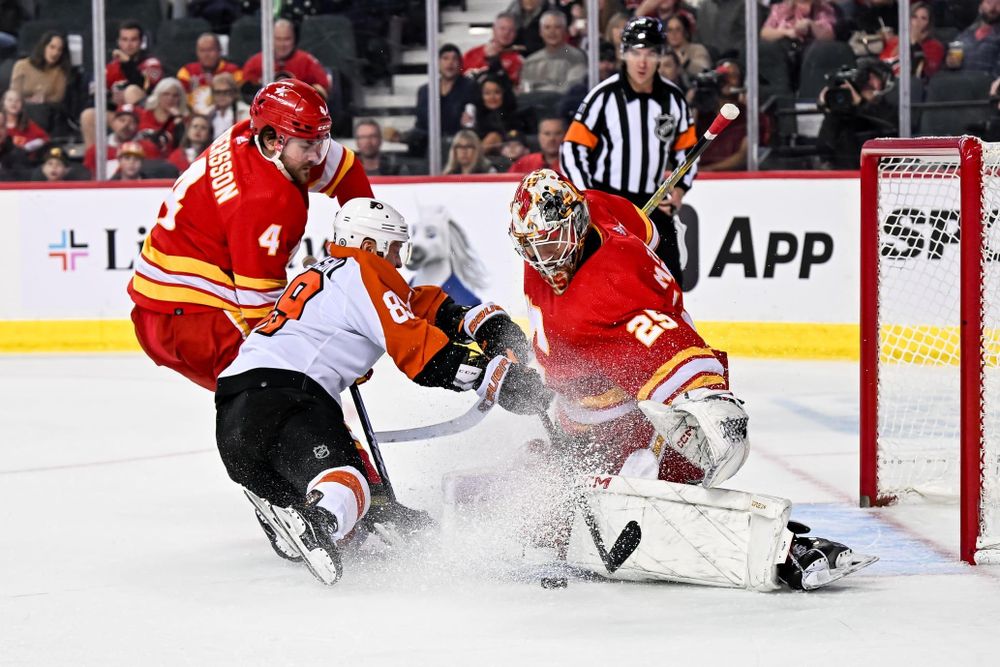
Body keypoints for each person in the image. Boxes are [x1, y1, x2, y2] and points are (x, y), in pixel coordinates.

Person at [506, 168, 875, 590]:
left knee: (639, 490)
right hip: (579, 412)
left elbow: (667, 342)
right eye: (531, 247)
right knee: (535, 485)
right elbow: (650, 234)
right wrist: (620, 251)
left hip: (631, 420)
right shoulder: (600, 206)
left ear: (574, 223)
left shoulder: (606, 296)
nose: (543, 259)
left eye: (551, 243)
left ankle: (786, 550)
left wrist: (705, 396)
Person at [215, 197, 547, 584]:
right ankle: (319, 517)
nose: (400, 261)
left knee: (352, 507)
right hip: (289, 400)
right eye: (394, 249)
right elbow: (424, 357)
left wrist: (483, 323)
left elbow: (416, 306)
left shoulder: (331, 274)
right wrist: (494, 376)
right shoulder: (364, 271)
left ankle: (291, 500)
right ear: (370, 246)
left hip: (233, 416)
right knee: (347, 480)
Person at [127, 79, 374, 391]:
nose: (316, 157)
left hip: (165, 304)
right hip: (188, 319)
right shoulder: (265, 201)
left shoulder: (256, 133)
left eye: (320, 142)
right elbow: (264, 318)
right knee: (280, 385)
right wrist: (333, 357)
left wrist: (363, 243)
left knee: (286, 391)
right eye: (308, 146)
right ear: (273, 140)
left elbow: (347, 170)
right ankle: (319, 439)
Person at [561, 16, 698, 287]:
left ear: (661, 55)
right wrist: (589, 198)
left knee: (669, 283)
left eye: (650, 53)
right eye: (636, 53)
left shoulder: (673, 99)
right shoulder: (603, 97)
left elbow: (688, 151)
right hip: (607, 204)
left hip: (654, 203)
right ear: (624, 53)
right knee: (600, 283)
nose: (642, 62)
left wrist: (679, 189)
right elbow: (573, 149)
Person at [406, 44, 478, 156]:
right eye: (445, 58)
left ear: (460, 64)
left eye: (454, 59)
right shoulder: (424, 91)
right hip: (429, 144)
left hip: (458, 144)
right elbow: (420, 125)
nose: (450, 63)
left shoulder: (470, 87)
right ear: (438, 64)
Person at [242, 19, 332, 98]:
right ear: (271, 39)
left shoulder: (307, 61)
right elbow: (244, 90)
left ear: (294, 39)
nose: (282, 44)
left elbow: (323, 88)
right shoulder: (255, 62)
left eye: (287, 39)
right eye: (278, 39)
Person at [519, 10, 587, 94]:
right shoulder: (531, 61)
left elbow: (571, 87)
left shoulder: (576, 57)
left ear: (565, 31)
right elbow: (525, 90)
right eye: (547, 27)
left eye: (557, 27)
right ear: (540, 32)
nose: (552, 32)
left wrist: (539, 90)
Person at [82, 104, 158, 177]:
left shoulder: (147, 148)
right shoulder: (97, 150)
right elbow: (87, 178)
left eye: (132, 122)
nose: (126, 125)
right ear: (113, 123)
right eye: (122, 120)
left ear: (137, 126)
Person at [176, 33, 243, 115]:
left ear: (220, 50)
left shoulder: (234, 71)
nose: (206, 55)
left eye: (210, 50)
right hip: (194, 120)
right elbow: (179, 100)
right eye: (202, 50)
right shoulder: (186, 71)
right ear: (197, 52)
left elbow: (239, 98)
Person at [879, 2, 944, 78]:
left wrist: (915, 42)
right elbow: (882, 63)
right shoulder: (894, 41)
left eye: (923, 18)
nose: (917, 22)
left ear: (929, 24)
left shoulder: (935, 46)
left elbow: (926, 71)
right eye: (914, 17)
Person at [462, 12, 525, 87]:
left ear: (515, 34)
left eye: (511, 30)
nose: (506, 33)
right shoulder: (471, 54)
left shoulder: (518, 60)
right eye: (502, 28)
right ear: (494, 29)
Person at [9, 31, 70, 105]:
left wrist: (44, 100)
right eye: (52, 47)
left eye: (59, 50)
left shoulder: (60, 71)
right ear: (43, 47)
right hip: (20, 107)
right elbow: (14, 92)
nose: (55, 53)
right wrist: (28, 101)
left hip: (45, 109)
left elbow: (58, 97)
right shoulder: (22, 65)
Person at [473, 74, 529, 154]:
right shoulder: (475, 116)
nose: (492, 97)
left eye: (497, 92)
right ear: (481, 96)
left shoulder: (515, 117)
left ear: (504, 94)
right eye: (487, 93)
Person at [944, 0, 1000, 75]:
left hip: (985, 82)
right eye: (989, 3)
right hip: (958, 81)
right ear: (980, 7)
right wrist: (949, 62)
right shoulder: (965, 34)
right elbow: (950, 60)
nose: (992, 8)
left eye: (998, 4)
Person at [664, 13, 713, 79]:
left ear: (686, 32)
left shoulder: (697, 49)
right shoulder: (663, 51)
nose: (673, 34)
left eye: (678, 29)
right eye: (670, 30)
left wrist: (687, 63)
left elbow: (705, 71)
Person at [2, 88, 49, 155]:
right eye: (10, 100)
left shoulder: (28, 124)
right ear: (3, 103)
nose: (13, 103)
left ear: (22, 105)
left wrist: (28, 147)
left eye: (18, 100)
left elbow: (45, 138)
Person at [207, 72, 249, 138]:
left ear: (234, 92)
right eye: (218, 92)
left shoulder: (246, 112)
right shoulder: (209, 113)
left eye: (226, 92)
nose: (221, 96)